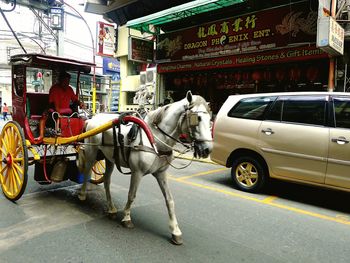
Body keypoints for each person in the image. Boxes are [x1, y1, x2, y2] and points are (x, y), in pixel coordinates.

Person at [35, 72, 84, 143]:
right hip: (54, 108)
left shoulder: (69, 89)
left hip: (66, 110)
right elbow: (55, 103)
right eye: (64, 81)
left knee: (79, 117)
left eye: (68, 82)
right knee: (43, 118)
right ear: (60, 80)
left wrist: (80, 103)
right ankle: (41, 136)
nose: (66, 83)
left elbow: (75, 99)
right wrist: (59, 115)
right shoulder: (55, 89)